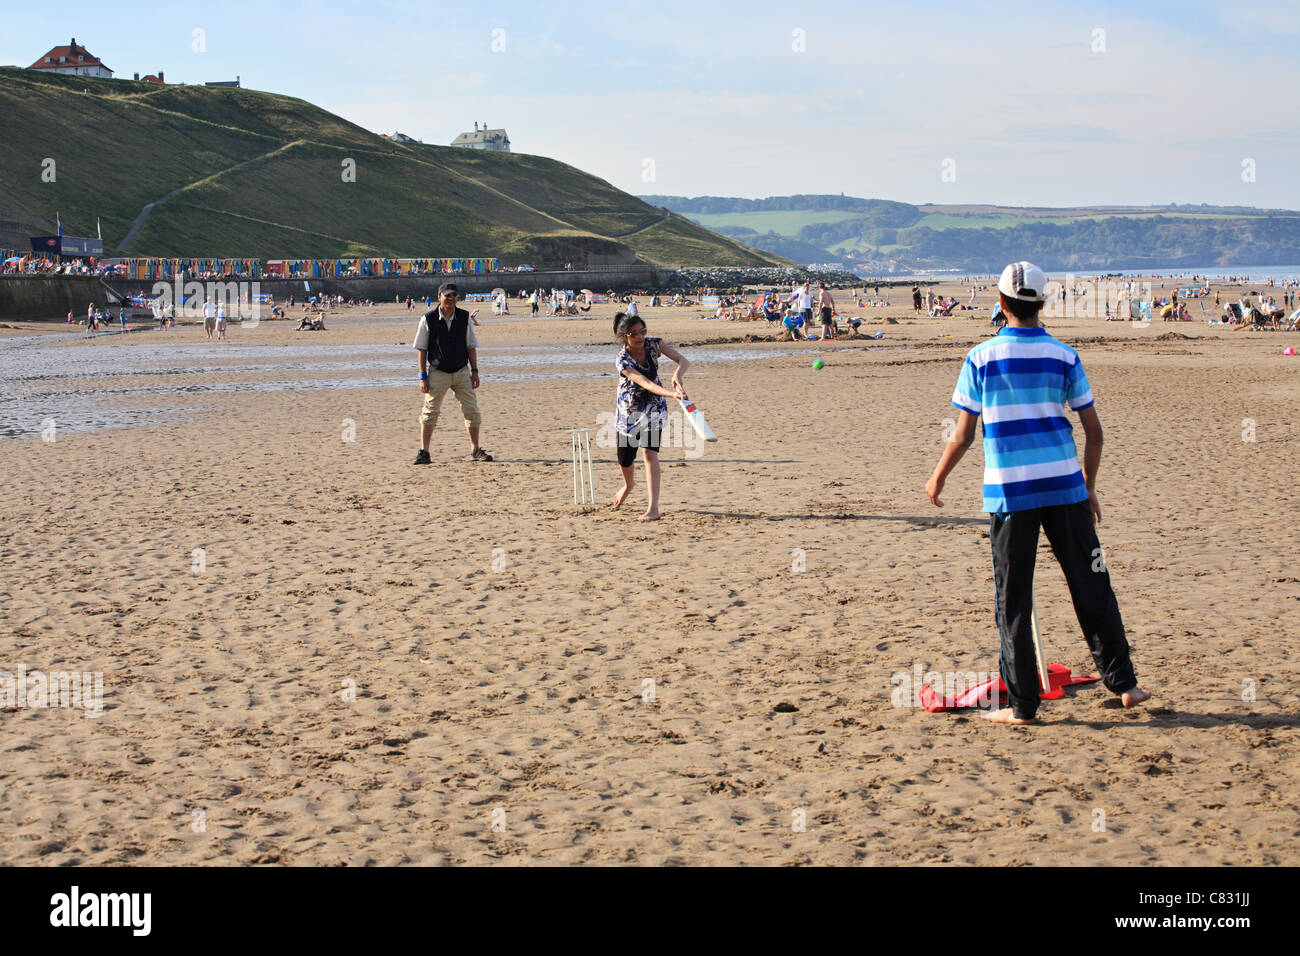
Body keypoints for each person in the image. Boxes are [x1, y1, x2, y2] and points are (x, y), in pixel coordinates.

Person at [925, 261, 1150, 725]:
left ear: (1002, 303)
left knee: (1014, 598)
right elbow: (1095, 432)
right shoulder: (1065, 356)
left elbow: (963, 435)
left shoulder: (981, 358)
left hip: (1011, 493)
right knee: (1091, 585)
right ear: (1042, 303)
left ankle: (1024, 706)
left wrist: (938, 476)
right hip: (1066, 487)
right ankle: (1124, 684)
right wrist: (1088, 487)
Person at [610, 312, 689, 521]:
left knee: (649, 454)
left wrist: (677, 376)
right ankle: (628, 485)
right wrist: (671, 394)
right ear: (623, 337)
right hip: (629, 411)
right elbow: (646, 383)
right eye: (633, 333)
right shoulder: (622, 360)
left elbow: (683, 360)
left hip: (654, 409)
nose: (640, 336)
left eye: (642, 331)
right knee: (625, 459)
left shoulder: (654, 344)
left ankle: (653, 509)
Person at [412, 283, 493, 464]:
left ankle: (475, 450)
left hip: (461, 371)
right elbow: (421, 349)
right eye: (447, 295)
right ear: (439, 296)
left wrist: (475, 371)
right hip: (437, 372)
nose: (450, 299)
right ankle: (424, 452)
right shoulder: (428, 319)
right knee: (430, 411)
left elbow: (471, 346)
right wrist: (422, 376)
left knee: (471, 410)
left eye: (454, 296)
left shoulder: (464, 317)